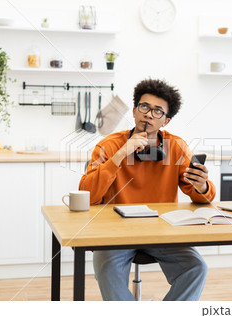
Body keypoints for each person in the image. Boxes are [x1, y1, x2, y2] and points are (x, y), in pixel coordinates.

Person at [79, 78, 216, 301]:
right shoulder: (109, 145)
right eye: (144, 107)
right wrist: (120, 155)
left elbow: (203, 196)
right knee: (107, 270)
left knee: (197, 268)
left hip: (162, 230)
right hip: (115, 232)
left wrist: (202, 185)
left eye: (158, 111)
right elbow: (88, 194)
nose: (149, 114)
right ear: (134, 111)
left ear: (166, 121)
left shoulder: (177, 146)